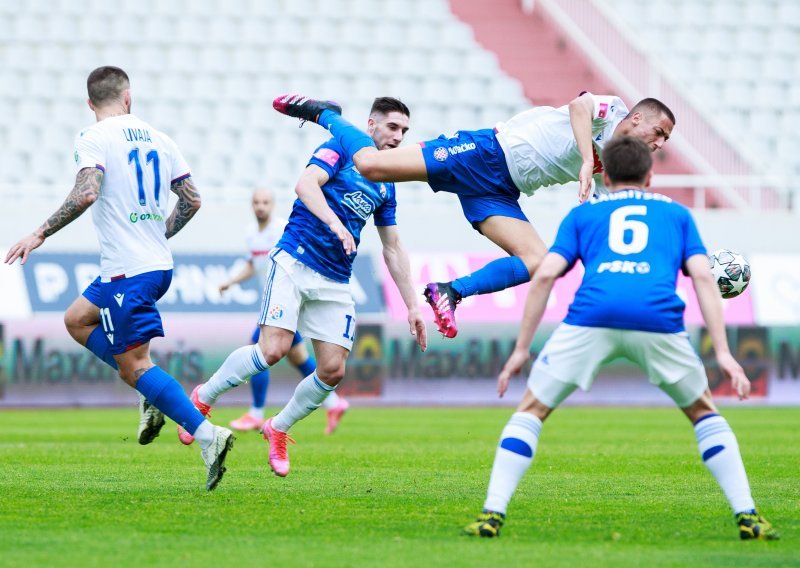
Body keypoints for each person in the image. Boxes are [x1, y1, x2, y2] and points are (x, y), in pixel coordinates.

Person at [460, 136, 779, 540]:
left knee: (531, 411)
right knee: (704, 414)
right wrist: (724, 353)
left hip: (592, 316)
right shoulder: (677, 215)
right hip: (657, 319)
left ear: (605, 175)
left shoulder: (584, 215)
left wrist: (521, 349)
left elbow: (543, 274)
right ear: (649, 176)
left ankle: (492, 514)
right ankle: (748, 516)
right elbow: (701, 276)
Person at [272, 92, 675, 338]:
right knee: (374, 166)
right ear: (637, 118)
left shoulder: (620, 161)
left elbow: (620, 209)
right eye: (658, 132)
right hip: (487, 152)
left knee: (539, 261)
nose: (659, 143)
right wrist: (587, 160)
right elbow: (579, 105)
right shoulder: (613, 109)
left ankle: (450, 291)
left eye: (665, 140)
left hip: (500, 192)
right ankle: (326, 115)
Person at [4, 66, 234, 491]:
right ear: (129, 98)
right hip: (149, 265)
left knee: (135, 367)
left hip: (130, 270)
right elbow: (192, 200)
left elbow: (88, 191)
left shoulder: (94, 137)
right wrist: (157, 233)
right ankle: (149, 391)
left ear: (90, 104)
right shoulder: (161, 139)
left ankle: (208, 436)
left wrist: (39, 232)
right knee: (77, 319)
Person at [183, 97, 427, 477]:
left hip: (335, 278)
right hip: (295, 260)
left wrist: (412, 305)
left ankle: (277, 427)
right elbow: (306, 185)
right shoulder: (342, 147)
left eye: (405, 132)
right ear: (372, 124)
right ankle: (203, 397)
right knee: (273, 350)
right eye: (393, 127)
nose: (398, 137)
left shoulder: (387, 183)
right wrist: (335, 223)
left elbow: (392, 246)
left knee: (332, 371)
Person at [177, 188, 348, 443]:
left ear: (272, 204)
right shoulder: (251, 234)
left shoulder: (283, 229)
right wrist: (231, 281)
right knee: (297, 357)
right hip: (275, 303)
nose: (260, 206)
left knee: (259, 349)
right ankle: (334, 402)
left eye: (265, 202)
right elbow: (252, 264)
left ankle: (256, 412)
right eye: (256, 202)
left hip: (290, 301)